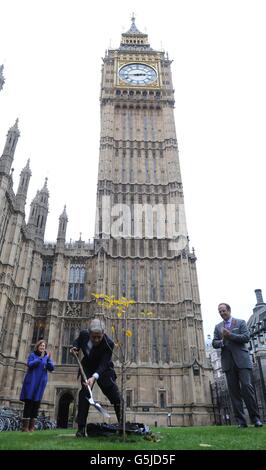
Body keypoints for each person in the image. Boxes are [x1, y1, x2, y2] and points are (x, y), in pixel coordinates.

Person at [212, 303, 263, 428]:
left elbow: (246, 337)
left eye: (223, 310)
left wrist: (230, 335)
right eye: (220, 311)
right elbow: (214, 343)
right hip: (228, 363)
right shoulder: (218, 327)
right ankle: (241, 421)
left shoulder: (240, 322)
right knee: (234, 393)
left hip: (242, 361)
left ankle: (255, 418)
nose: (222, 313)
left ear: (229, 310)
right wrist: (222, 342)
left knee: (247, 388)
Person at [70, 318, 122, 437]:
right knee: (85, 395)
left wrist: (93, 378)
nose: (97, 339)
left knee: (116, 397)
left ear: (103, 333)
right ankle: (81, 428)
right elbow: (77, 342)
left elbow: (104, 364)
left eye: (99, 337)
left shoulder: (109, 343)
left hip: (104, 370)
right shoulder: (84, 335)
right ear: (89, 333)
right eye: (94, 337)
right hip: (87, 367)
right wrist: (74, 348)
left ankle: (122, 426)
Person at [20, 339, 54, 432]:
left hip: (40, 384)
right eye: (41, 346)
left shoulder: (46, 357)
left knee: (36, 404)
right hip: (31, 382)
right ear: (37, 346)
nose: (42, 347)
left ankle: (31, 427)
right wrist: (41, 358)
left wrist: (48, 359)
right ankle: (25, 427)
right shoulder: (32, 355)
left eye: (44, 346)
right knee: (29, 403)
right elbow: (30, 364)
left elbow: (51, 368)